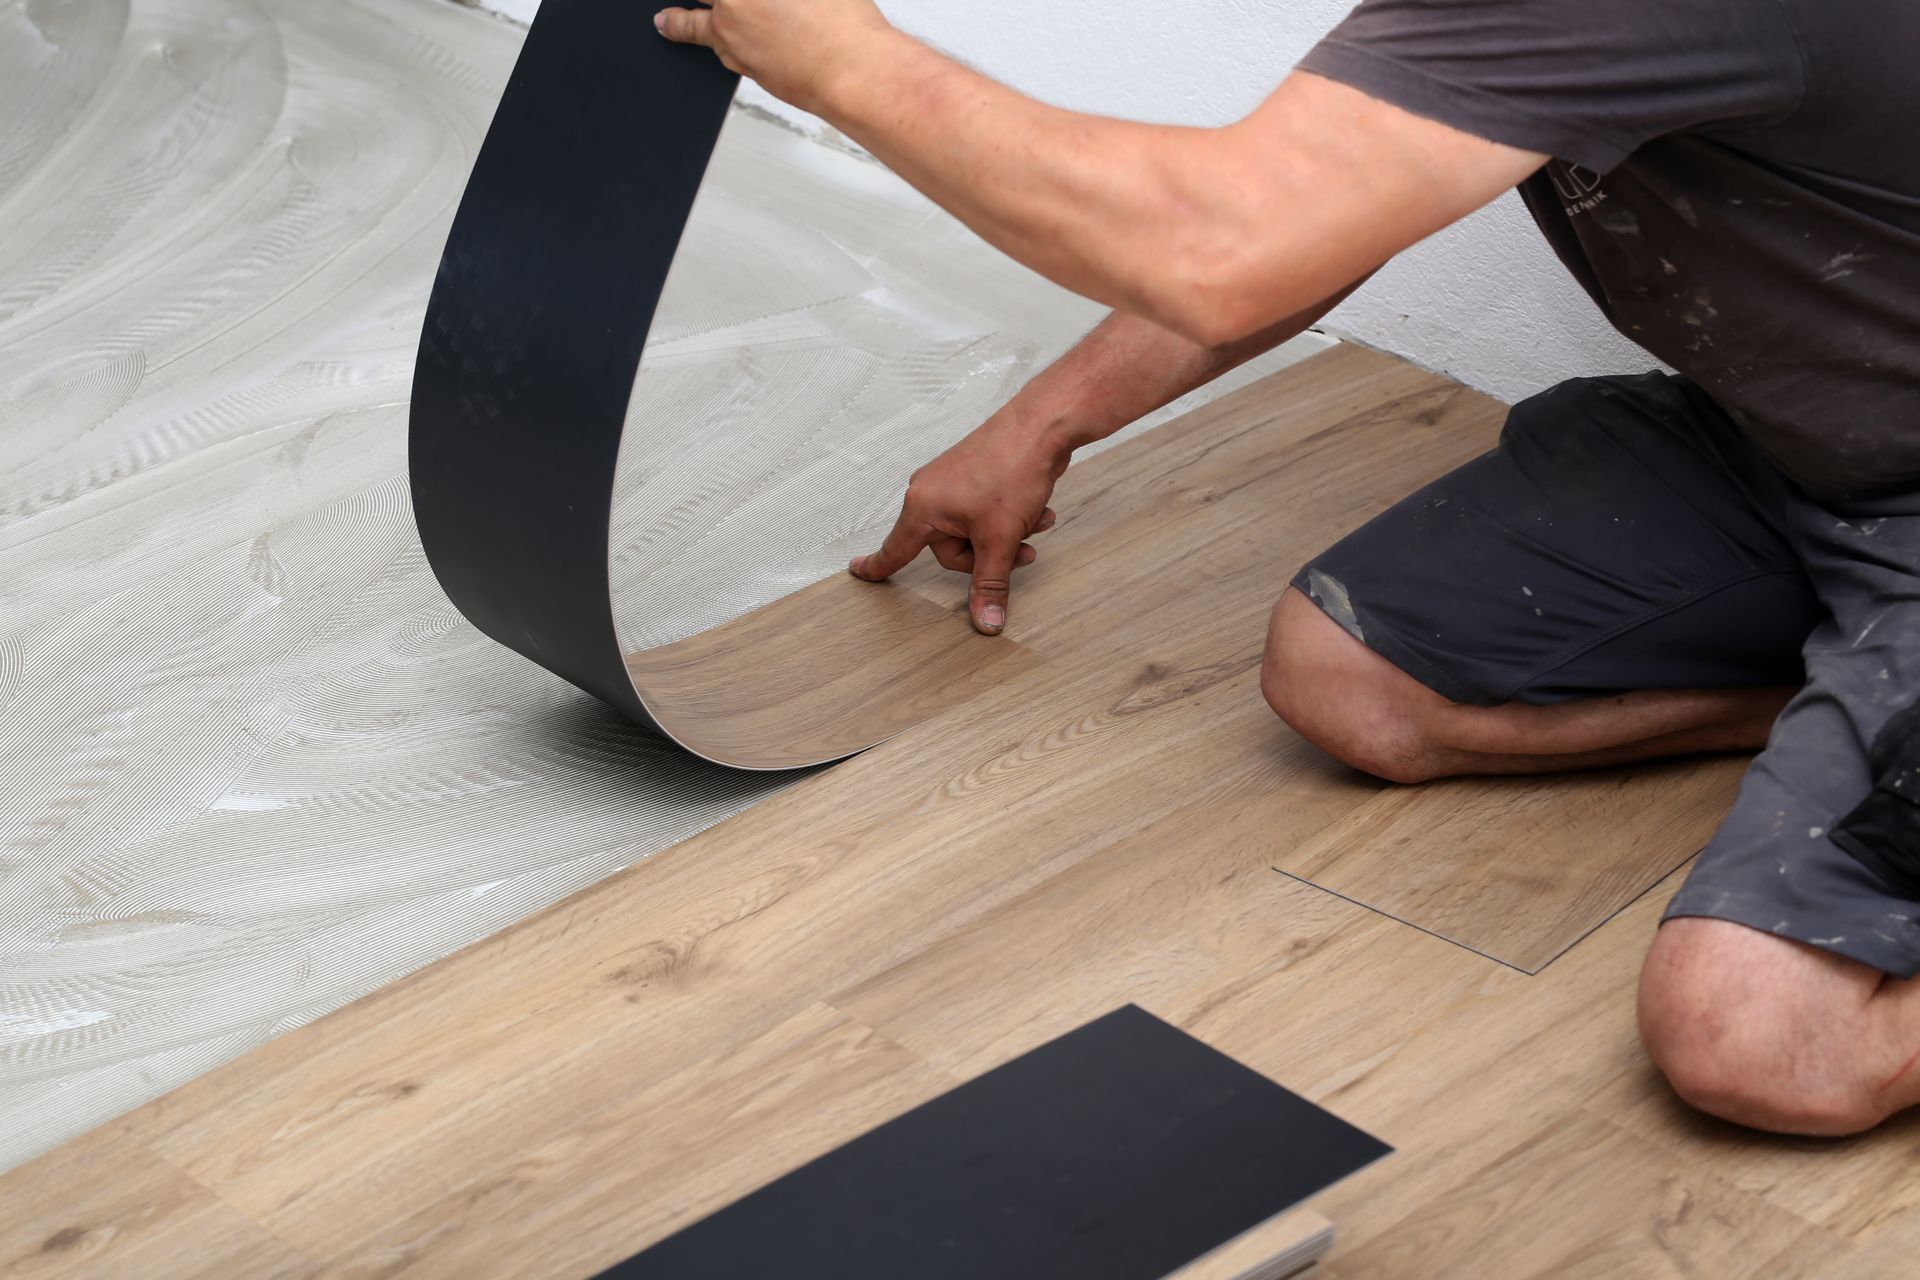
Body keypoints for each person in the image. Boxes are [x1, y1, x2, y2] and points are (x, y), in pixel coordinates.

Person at [655, 0, 1920, 1135]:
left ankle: (1872, 710)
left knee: (1757, 1036)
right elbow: (1347, 202)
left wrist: (840, 61)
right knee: (1348, 681)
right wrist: (1044, 422)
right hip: (1799, 450)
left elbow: (1230, 242)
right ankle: (1839, 694)